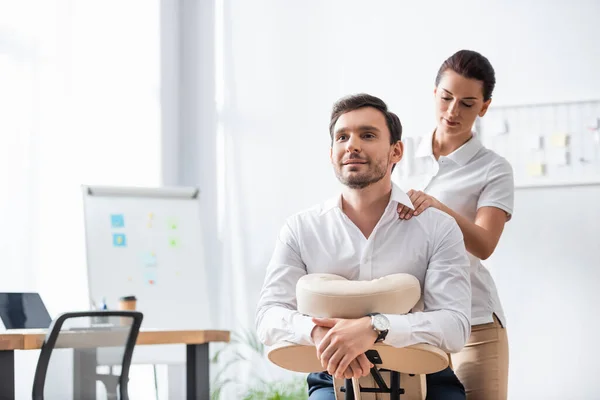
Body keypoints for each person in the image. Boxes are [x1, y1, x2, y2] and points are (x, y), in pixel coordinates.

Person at [256, 93, 472, 399]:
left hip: (425, 372)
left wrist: (375, 328)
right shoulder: (301, 229)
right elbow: (268, 316)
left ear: (397, 150)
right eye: (342, 137)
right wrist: (321, 334)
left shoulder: (437, 227)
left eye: (367, 135)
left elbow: (455, 326)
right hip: (332, 375)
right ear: (331, 153)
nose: (352, 145)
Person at [393, 50, 513, 400]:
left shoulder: (493, 168)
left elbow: (485, 244)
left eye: (467, 103)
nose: (452, 111)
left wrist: (438, 207)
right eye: (446, 98)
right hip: (411, 323)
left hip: (475, 322)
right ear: (434, 94)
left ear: (484, 107)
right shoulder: (399, 152)